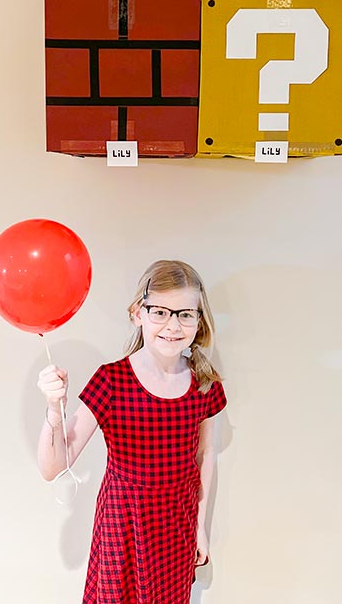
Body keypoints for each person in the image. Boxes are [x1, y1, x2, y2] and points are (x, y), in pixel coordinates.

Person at [37, 259, 227, 604]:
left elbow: (206, 454)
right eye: (160, 312)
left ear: (199, 322)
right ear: (137, 313)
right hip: (123, 525)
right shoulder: (111, 380)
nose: (172, 325)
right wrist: (54, 408)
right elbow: (52, 467)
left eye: (185, 314)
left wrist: (201, 527)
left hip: (177, 525)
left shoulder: (203, 381)